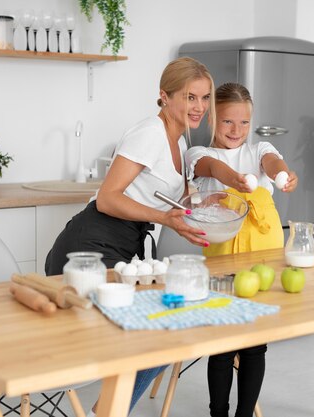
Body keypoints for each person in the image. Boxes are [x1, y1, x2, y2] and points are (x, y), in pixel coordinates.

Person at [45, 56, 214, 415]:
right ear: (164, 97)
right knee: (153, 331)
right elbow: (108, 198)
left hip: (125, 246)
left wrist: (201, 204)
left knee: (168, 329)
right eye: (190, 97)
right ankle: (107, 411)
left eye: (204, 98)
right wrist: (165, 220)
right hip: (91, 245)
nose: (199, 107)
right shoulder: (149, 134)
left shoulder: (179, 141)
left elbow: (171, 198)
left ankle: (106, 410)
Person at [185, 82, 298, 417]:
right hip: (223, 259)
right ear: (213, 121)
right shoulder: (199, 154)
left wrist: (284, 175)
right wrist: (234, 179)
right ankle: (217, 412)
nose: (236, 130)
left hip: (264, 257)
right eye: (227, 122)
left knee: (254, 342)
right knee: (222, 344)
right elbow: (213, 168)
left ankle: (245, 414)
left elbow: (273, 162)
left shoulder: (259, 149)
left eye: (244, 122)